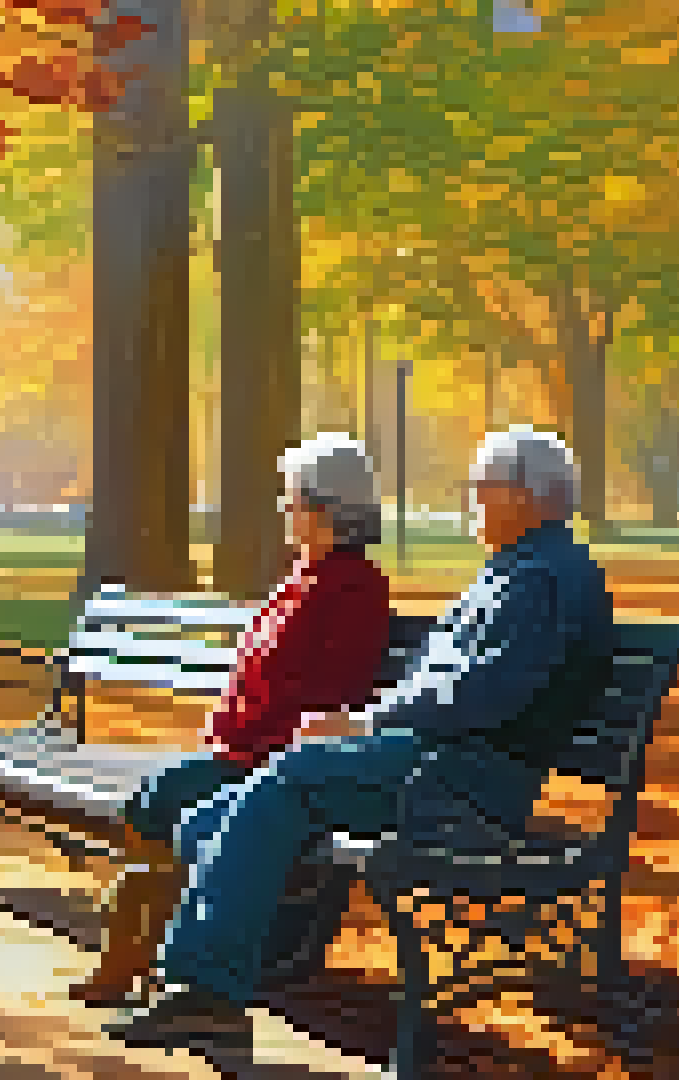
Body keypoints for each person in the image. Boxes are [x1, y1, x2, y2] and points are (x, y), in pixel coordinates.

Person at [105, 426, 616, 1047]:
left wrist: (364, 721)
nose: (471, 501)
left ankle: (206, 988)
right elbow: (456, 687)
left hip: (460, 781)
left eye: (480, 489)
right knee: (206, 818)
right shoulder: (517, 571)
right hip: (429, 760)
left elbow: (482, 695)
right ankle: (246, 959)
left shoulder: (545, 579)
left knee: (281, 787)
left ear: (523, 495)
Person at [68, 432, 392, 1007]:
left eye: (291, 501)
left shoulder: (354, 587)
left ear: (324, 510)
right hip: (237, 752)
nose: (284, 512)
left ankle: (142, 958)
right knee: (156, 798)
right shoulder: (301, 577)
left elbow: (334, 696)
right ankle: (137, 954)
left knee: (170, 799)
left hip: (271, 764)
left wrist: (258, 751)